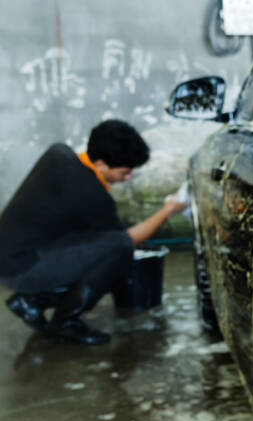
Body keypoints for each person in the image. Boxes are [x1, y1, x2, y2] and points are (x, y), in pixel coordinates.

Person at [0, 119, 187, 344]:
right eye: (125, 172)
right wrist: (168, 210)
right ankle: (63, 321)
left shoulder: (59, 154)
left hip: (14, 256)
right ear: (100, 163)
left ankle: (32, 301)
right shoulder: (90, 193)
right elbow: (127, 240)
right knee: (118, 249)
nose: (128, 178)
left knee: (103, 247)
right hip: (23, 269)